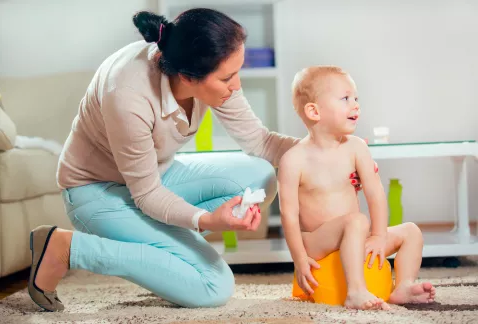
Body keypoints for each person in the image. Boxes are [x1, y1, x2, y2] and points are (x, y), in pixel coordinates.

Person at [27, 10, 368, 312]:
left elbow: (259, 141)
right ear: (188, 77)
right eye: (226, 78)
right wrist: (206, 219)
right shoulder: (127, 94)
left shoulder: (208, 69)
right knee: (213, 287)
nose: (236, 86)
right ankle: (67, 247)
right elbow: (146, 196)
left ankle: (167, 253)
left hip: (158, 177)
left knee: (259, 176)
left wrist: (334, 153)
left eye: (238, 72)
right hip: (98, 193)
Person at [278, 66, 436, 310]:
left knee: (411, 231)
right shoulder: (293, 159)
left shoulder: (356, 148)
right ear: (314, 111)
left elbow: (375, 193)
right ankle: (355, 291)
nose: (355, 105)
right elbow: (288, 215)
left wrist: (380, 235)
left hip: (356, 235)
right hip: (317, 242)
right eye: (345, 99)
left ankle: (403, 285)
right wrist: (299, 258)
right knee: (356, 220)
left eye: (356, 98)